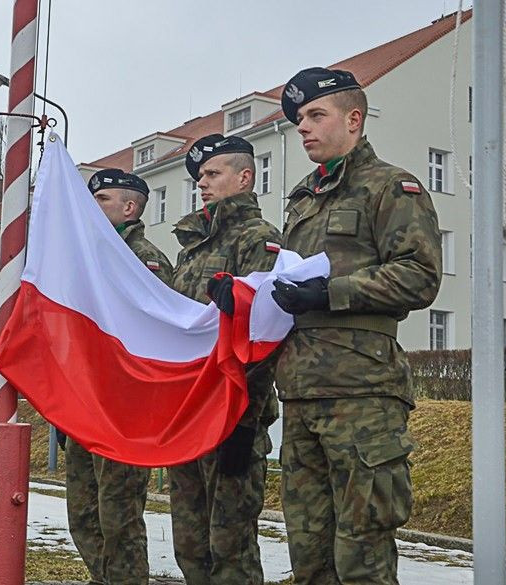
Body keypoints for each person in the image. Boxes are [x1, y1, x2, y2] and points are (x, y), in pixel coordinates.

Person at [272, 67, 443, 585]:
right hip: (301, 394)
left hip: (362, 394)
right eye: (300, 118)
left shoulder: (390, 187)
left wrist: (333, 291)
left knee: (362, 553)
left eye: (315, 115)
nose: (303, 127)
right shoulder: (303, 198)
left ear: (353, 118)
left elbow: (420, 276)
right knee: (309, 555)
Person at [167, 134, 282, 585]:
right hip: (190, 411)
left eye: (213, 174)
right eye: (200, 177)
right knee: (190, 543)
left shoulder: (260, 240)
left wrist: (244, 420)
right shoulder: (192, 246)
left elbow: (263, 336)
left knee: (230, 546)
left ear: (245, 177)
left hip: (232, 414)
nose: (203, 184)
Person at [65, 168, 173, 585]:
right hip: (86, 405)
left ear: (129, 207)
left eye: (101, 200)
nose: (91, 208)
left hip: (125, 411)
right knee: (83, 512)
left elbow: (154, 337)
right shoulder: (88, 259)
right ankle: (104, 578)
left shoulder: (145, 259)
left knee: (119, 517)